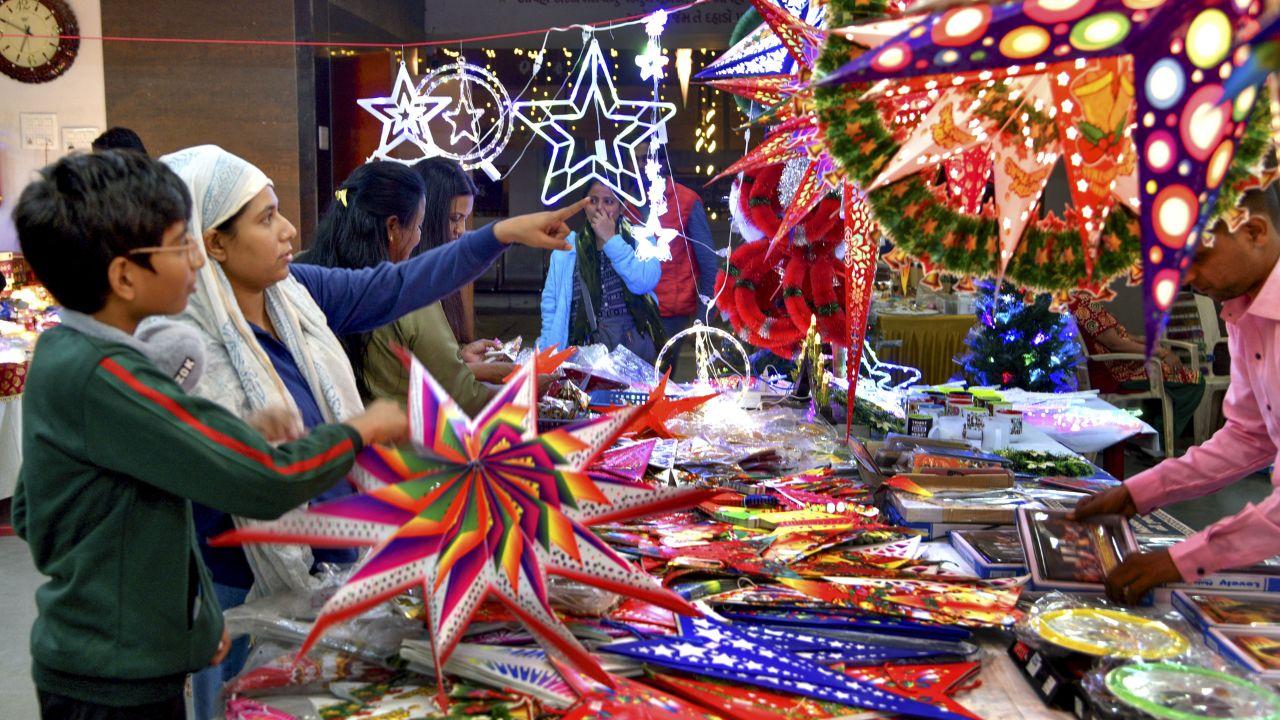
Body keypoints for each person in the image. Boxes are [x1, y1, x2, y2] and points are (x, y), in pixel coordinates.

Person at [156, 146, 585, 718]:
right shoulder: (183, 350)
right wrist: (358, 431)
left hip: (341, 568)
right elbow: (225, 477)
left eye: (279, 211)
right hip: (243, 589)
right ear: (214, 241)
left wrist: (500, 234)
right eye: (265, 218)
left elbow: (398, 284)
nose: (288, 230)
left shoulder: (295, 295)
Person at [10, 150, 408, 720]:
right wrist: (359, 430)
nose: (199, 258)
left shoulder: (66, 353)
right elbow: (266, 482)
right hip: (112, 677)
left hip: (115, 655)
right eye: (180, 245)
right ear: (124, 276)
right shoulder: (108, 375)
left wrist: (186, 625)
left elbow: (39, 505)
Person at [1072, 183, 1280, 605]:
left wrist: (1182, 559)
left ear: (1255, 232)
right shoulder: (1245, 309)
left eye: (1197, 257)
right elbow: (1247, 435)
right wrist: (1139, 491)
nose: (1185, 276)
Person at [299, 158, 509, 414]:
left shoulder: (309, 271)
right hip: (399, 443)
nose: (461, 231)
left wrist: (459, 358)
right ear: (393, 226)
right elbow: (462, 397)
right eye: (454, 219)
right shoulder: (409, 292)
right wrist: (525, 389)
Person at [538, 180, 665, 363]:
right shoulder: (566, 248)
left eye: (608, 201)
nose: (600, 208)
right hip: (582, 355)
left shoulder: (642, 240)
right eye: (593, 200)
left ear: (622, 207)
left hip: (631, 357)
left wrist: (611, 239)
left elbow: (645, 281)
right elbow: (550, 305)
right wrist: (546, 353)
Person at [1068, 294, 1206, 440]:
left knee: (1171, 377)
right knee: (1195, 381)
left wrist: (1147, 341)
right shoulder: (1084, 303)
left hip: (1117, 367)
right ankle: (1160, 438)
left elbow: (1120, 336)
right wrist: (1161, 352)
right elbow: (1116, 344)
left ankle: (1150, 433)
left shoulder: (1073, 301)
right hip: (1120, 371)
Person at [624, 175, 719, 373]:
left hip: (670, 315)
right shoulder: (627, 203)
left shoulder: (686, 201)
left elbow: (709, 263)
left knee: (658, 382)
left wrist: (703, 316)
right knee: (636, 384)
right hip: (634, 312)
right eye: (637, 159)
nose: (642, 165)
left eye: (646, 157)